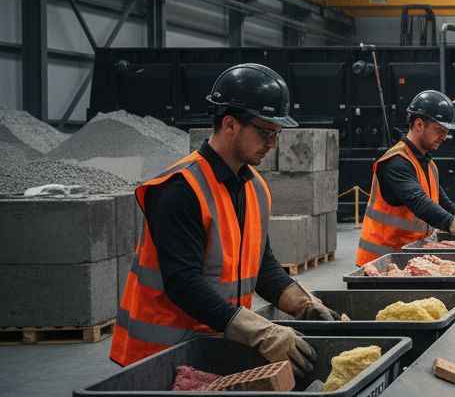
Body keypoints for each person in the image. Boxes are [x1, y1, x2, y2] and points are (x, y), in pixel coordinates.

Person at [111, 63, 335, 371]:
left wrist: (304, 305)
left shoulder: (254, 187)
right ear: (230, 124)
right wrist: (261, 332)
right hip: (162, 356)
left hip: (214, 346)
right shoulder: (179, 189)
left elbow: (263, 267)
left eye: (277, 134)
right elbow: (184, 283)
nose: (273, 144)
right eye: (266, 133)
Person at [356, 90, 455, 265]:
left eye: (446, 131)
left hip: (407, 257)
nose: (444, 137)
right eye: (439, 130)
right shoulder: (396, 162)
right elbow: (421, 204)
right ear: (419, 124)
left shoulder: (426, 163)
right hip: (380, 262)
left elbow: (443, 204)